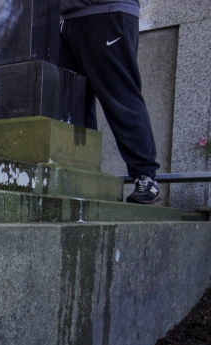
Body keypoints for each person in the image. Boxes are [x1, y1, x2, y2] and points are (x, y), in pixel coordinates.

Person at [59, 0, 161, 204]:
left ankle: (145, 176)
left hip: (108, 12)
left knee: (121, 98)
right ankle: (82, 173)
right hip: (67, 19)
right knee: (73, 105)